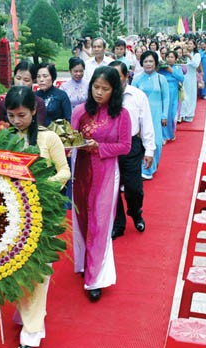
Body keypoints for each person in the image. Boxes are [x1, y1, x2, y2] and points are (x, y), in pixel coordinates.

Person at [5, 86, 71, 348]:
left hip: (43, 213)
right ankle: (27, 314)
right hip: (12, 214)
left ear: (34, 110)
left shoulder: (49, 138)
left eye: (21, 115)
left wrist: (39, 187)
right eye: (11, 116)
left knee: (38, 271)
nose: (17, 121)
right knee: (16, 267)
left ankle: (32, 332)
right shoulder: (5, 137)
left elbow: (64, 172)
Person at [71, 66, 131, 302]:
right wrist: (75, 144)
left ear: (114, 90)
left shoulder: (121, 115)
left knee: (100, 223)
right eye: (96, 87)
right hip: (82, 170)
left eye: (105, 89)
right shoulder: (80, 111)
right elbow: (69, 139)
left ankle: (96, 279)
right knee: (82, 218)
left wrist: (99, 147)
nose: (99, 93)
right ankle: (86, 262)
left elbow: (124, 146)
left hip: (106, 171)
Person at [108, 61, 155, 239]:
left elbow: (147, 123)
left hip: (131, 145)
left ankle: (135, 212)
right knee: (111, 188)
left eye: (117, 77)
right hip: (109, 147)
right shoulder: (104, 96)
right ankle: (118, 223)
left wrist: (150, 150)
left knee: (134, 188)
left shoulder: (137, 96)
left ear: (126, 77)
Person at [132, 51, 169, 180]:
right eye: (146, 61)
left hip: (156, 114)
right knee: (142, 142)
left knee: (157, 142)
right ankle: (144, 169)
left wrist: (164, 115)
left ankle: (152, 167)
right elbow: (132, 98)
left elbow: (166, 98)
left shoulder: (161, 79)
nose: (148, 64)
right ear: (142, 63)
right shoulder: (136, 79)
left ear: (155, 63)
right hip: (140, 114)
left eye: (151, 61)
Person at [0, 60, 46, 125]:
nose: (21, 83)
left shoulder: (39, 103)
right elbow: (2, 127)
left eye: (26, 80)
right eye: (18, 78)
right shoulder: (3, 104)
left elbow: (39, 127)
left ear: (33, 81)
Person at [159, 50, 185, 142]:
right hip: (163, 92)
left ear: (176, 59)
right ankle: (164, 136)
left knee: (171, 114)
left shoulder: (177, 68)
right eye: (168, 57)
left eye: (172, 57)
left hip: (173, 93)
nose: (170, 59)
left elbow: (182, 78)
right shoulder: (161, 68)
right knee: (163, 113)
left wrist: (171, 71)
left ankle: (170, 133)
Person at [179, 39, 201, 122]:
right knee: (183, 95)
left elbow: (196, 64)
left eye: (191, 44)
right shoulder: (183, 54)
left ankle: (189, 114)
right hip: (184, 77)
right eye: (188, 43)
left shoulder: (197, 55)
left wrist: (190, 56)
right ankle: (182, 114)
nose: (189, 45)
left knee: (191, 96)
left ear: (194, 45)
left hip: (191, 78)